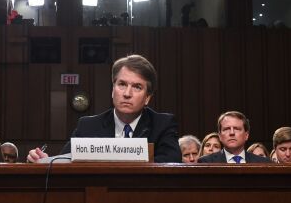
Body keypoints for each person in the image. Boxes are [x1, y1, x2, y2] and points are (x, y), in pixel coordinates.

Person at [27, 55, 181, 163]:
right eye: (122, 84)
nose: (127, 94)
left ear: (147, 97)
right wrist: (45, 161)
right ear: (113, 90)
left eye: (137, 87)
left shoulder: (162, 125)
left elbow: (171, 164)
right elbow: (65, 162)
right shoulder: (88, 126)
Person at [197, 112, 270, 163]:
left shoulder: (263, 162)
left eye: (237, 129)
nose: (232, 133)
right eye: (227, 129)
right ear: (220, 136)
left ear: (246, 135)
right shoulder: (206, 162)